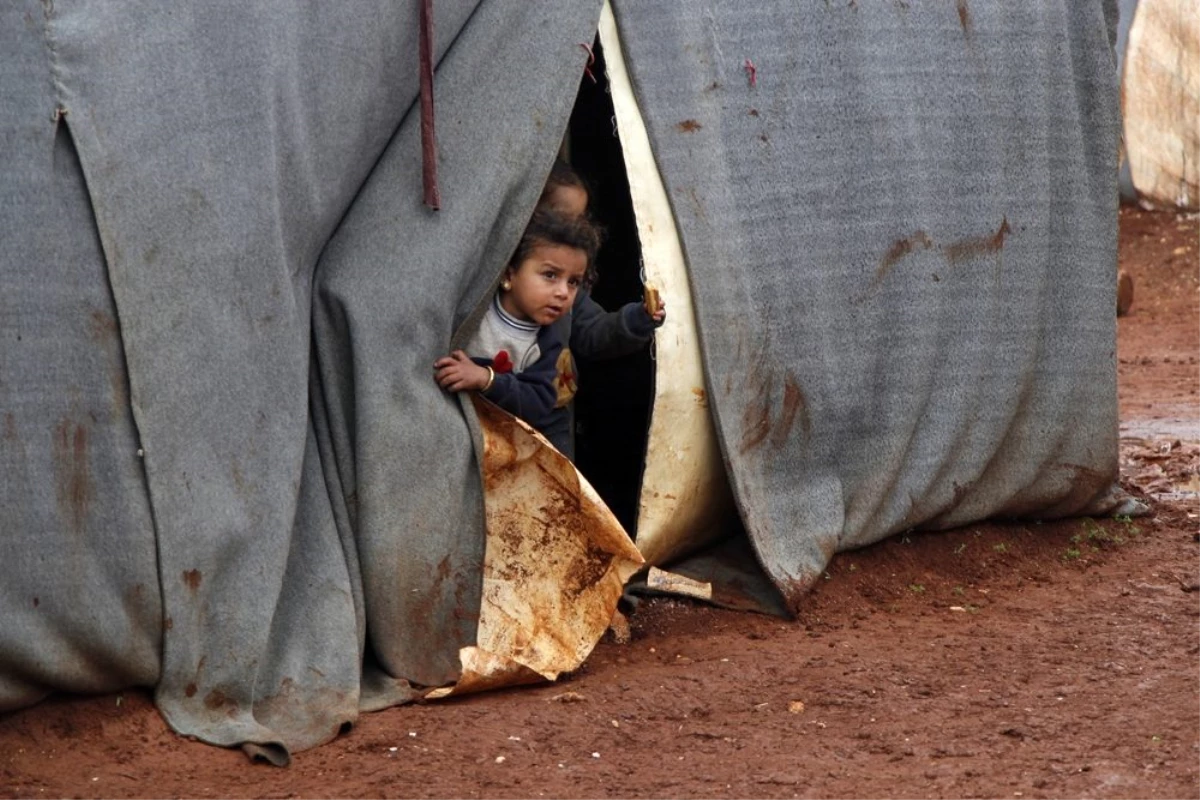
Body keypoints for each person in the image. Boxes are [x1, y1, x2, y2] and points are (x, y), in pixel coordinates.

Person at [434, 208, 601, 453]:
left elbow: (538, 401)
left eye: (573, 281)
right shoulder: (474, 307)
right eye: (550, 275)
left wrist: (486, 379)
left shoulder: (547, 341)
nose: (563, 292)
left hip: (500, 446)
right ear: (509, 274)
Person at [536, 159, 666, 458]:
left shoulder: (571, 291)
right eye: (561, 219)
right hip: (502, 410)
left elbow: (593, 333)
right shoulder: (502, 280)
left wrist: (637, 319)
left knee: (558, 492)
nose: (572, 232)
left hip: (553, 414)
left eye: (579, 221)